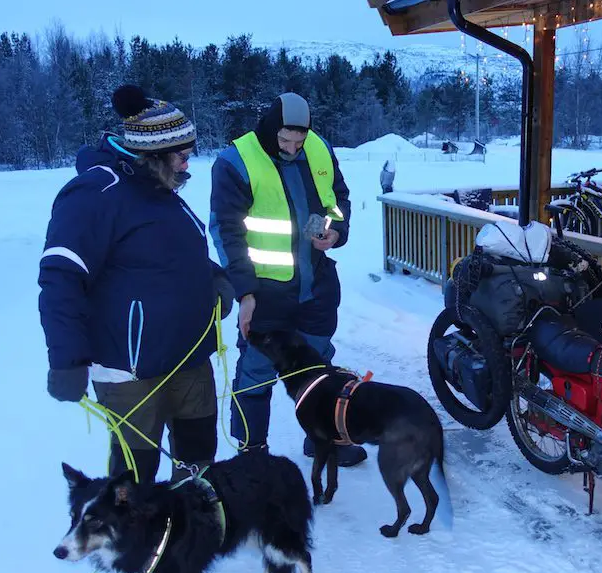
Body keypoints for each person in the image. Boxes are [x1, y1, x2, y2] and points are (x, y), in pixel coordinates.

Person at [38, 84, 234, 483]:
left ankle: (191, 535)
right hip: (131, 370)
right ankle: (138, 544)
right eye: (181, 155)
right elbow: (60, 278)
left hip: (189, 358)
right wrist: (67, 359)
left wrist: (215, 278)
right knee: (135, 477)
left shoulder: (162, 191)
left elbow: (172, 253)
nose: (187, 164)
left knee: (197, 460)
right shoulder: (95, 193)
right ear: (152, 154)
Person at [209, 92, 365, 466]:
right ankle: (253, 454)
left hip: (316, 288)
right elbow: (226, 231)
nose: (293, 148)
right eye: (285, 141)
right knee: (257, 374)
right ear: (269, 127)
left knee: (317, 368)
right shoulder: (235, 161)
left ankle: (322, 438)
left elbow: (338, 200)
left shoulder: (320, 149)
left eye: (299, 140)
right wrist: (245, 291)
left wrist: (334, 231)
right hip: (265, 293)